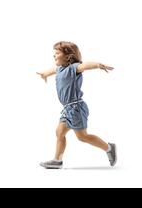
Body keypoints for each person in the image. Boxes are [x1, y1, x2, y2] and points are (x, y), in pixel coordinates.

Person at [36, 41, 116, 169]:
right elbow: (53, 70)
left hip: (76, 108)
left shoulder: (73, 69)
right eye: (54, 53)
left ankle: (109, 148)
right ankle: (57, 160)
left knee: (83, 137)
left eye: (57, 53)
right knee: (60, 132)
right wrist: (45, 74)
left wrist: (97, 65)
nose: (54, 56)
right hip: (68, 109)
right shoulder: (60, 69)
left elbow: (84, 66)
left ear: (68, 56)